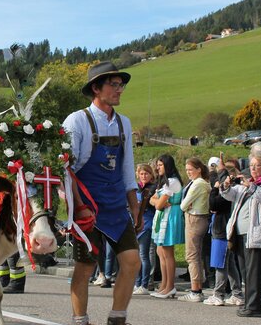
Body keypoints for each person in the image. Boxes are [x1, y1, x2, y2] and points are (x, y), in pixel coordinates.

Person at [62, 61, 141, 325]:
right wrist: (79, 206)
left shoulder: (124, 123)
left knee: (132, 262)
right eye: (114, 85)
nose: (119, 90)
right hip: (88, 206)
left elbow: (127, 167)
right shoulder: (77, 121)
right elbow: (67, 170)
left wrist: (135, 202)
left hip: (116, 204)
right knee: (85, 268)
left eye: (121, 85)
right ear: (96, 88)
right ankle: (80, 320)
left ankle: (117, 318)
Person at [222, 151, 261, 318]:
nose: (253, 169)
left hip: (256, 234)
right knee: (246, 271)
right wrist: (226, 186)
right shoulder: (247, 184)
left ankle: (253, 306)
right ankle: (249, 303)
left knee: (253, 271)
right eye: (251, 166)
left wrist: (252, 187)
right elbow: (230, 196)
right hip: (239, 233)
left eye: (257, 165)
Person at [203, 158, 245, 307]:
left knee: (220, 262)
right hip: (222, 226)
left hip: (222, 228)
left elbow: (214, 203)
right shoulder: (229, 188)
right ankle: (237, 293)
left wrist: (214, 189)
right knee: (229, 262)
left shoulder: (229, 191)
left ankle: (218, 294)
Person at [150, 154, 185, 299]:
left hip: (170, 217)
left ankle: (170, 286)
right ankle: (164, 285)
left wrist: (158, 201)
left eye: (160, 165)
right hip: (162, 216)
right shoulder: (164, 183)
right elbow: (152, 200)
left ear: (167, 166)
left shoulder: (173, 182)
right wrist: (158, 201)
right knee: (160, 251)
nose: (157, 168)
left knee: (167, 252)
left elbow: (157, 204)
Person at [177, 157, 211, 302]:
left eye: (191, 169)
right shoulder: (198, 183)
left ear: (199, 169)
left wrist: (187, 205)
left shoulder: (199, 184)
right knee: (195, 255)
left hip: (195, 219)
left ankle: (195, 290)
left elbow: (183, 205)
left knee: (192, 255)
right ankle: (196, 286)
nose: (188, 172)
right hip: (195, 217)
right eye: (187, 170)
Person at [132, 163, 156, 295]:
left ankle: (145, 284)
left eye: (146, 173)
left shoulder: (152, 187)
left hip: (147, 223)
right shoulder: (136, 188)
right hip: (135, 224)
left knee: (144, 255)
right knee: (136, 256)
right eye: (141, 174)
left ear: (151, 175)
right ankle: (137, 282)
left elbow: (147, 204)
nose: (143, 176)